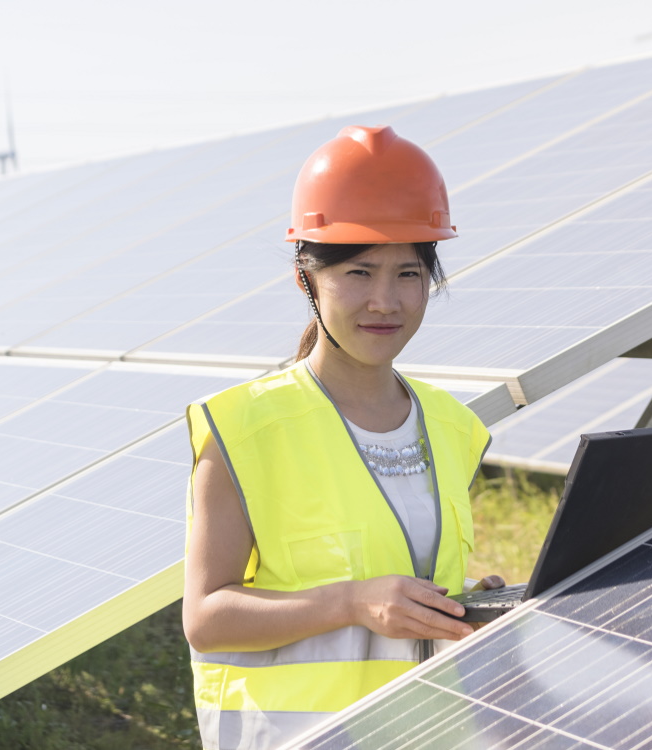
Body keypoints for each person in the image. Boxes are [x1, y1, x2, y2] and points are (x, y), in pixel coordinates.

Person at [182, 125, 504, 750]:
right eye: (358, 272)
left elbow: (400, 573)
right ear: (308, 278)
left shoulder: (450, 426)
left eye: (408, 273)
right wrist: (352, 603)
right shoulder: (244, 428)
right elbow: (205, 618)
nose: (385, 301)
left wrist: (464, 602)